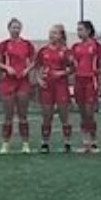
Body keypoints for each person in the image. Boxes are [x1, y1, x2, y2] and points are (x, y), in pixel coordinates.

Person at [0, 18, 36, 154]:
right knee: (8, 115)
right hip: (7, 82)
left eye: (18, 27)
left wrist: (27, 70)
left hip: (22, 82)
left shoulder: (27, 45)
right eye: (13, 27)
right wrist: (7, 68)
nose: (16, 30)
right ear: (9, 29)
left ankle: (25, 143)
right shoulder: (3, 45)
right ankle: (5, 143)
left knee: (23, 114)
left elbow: (34, 62)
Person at [34, 25, 74, 154]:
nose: (52, 35)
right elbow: (37, 67)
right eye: (51, 33)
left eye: (55, 33)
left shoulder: (66, 51)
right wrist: (39, 80)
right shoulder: (43, 51)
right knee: (47, 116)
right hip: (47, 87)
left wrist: (61, 73)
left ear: (61, 36)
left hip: (61, 85)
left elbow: (72, 68)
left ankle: (67, 142)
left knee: (64, 115)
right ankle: (45, 143)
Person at [71, 20, 101, 154]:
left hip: (91, 80)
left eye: (81, 29)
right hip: (79, 81)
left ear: (89, 31)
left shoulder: (97, 46)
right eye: (78, 30)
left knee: (90, 112)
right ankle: (85, 142)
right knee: (82, 113)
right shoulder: (75, 47)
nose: (79, 32)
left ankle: (94, 141)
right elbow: (74, 66)